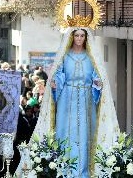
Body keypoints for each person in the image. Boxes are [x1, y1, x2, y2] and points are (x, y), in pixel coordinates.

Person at [29, 28, 119, 177]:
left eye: (82, 36)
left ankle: (83, 171)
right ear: (72, 37)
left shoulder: (91, 57)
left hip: (86, 99)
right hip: (66, 98)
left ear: (85, 37)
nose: (79, 38)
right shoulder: (65, 56)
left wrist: (97, 82)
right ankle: (64, 169)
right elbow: (59, 74)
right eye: (76, 35)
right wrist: (55, 83)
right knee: (65, 132)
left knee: (84, 133)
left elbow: (97, 76)